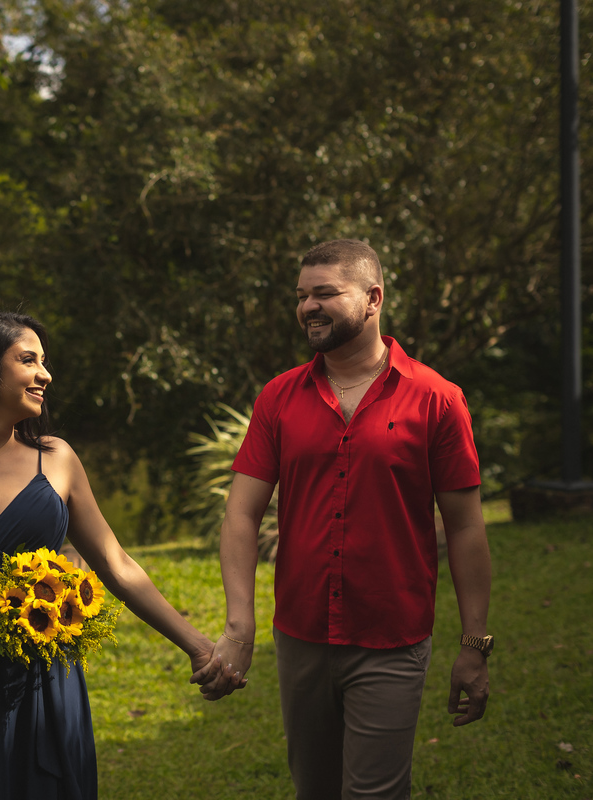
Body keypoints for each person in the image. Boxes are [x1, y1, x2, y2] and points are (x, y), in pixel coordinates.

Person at [0, 311, 241, 800]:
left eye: (45, 362)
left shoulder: (56, 459)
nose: (46, 375)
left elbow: (116, 564)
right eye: (28, 360)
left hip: (40, 681)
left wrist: (199, 647)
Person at [196, 240, 493, 798]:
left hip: (391, 638)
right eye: (302, 295)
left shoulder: (437, 399)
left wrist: (474, 645)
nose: (309, 306)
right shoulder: (279, 398)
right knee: (315, 790)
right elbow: (241, 513)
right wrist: (241, 624)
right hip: (301, 635)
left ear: (373, 298)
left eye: (325, 293)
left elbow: (466, 527)